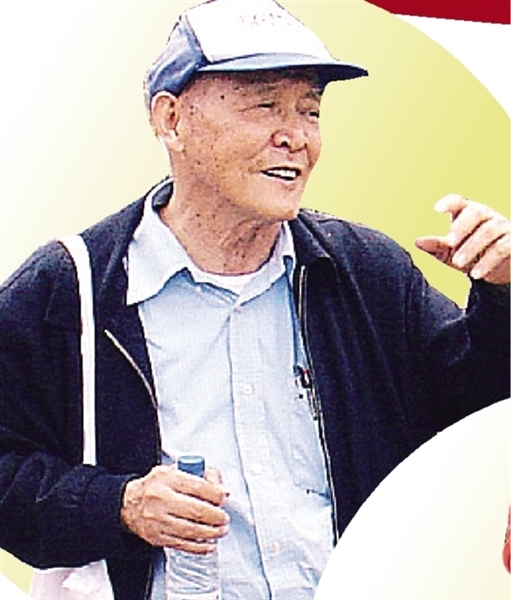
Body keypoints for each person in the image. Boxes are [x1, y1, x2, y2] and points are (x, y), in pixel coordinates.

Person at [0, 1, 509, 599]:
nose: (295, 135)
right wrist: (120, 505)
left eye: (310, 110)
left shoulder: (364, 272)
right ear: (171, 120)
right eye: (263, 105)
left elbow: (473, 417)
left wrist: (503, 294)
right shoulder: (70, 289)